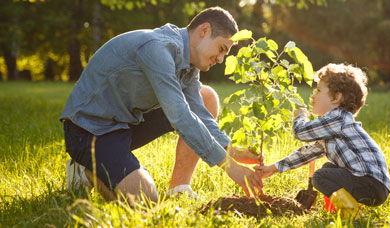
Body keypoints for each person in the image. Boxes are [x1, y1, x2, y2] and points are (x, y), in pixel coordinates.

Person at [61, 6, 264, 204]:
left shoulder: (189, 65)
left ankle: (179, 189)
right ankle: (84, 171)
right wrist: (229, 166)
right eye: (221, 49)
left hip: (124, 124)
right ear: (204, 30)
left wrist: (231, 150)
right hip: (89, 130)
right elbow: (180, 116)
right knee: (145, 199)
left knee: (205, 97)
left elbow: (199, 113)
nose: (220, 59)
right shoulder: (158, 48)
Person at [255, 63, 390, 218]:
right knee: (328, 168)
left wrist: (301, 117)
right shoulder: (333, 128)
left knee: (320, 177)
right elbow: (306, 154)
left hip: (370, 183)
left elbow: (300, 132)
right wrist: (273, 168)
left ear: (336, 97)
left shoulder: (337, 118)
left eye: (318, 90)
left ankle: (353, 214)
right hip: (373, 185)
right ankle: (337, 210)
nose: (313, 96)